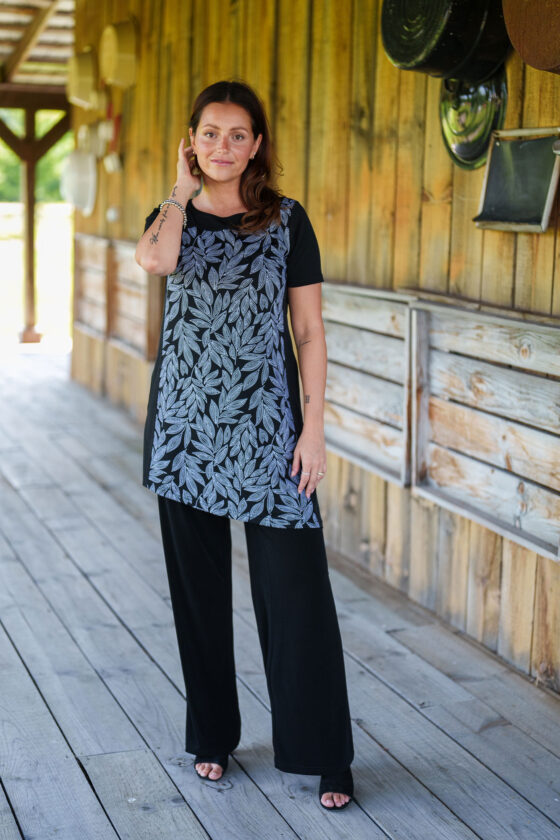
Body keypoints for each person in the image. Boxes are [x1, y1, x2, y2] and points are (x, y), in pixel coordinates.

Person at [135, 79, 355, 811]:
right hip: (186, 433)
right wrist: (179, 189)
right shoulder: (170, 218)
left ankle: (323, 754)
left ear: (257, 143)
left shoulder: (287, 221)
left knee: (298, 598)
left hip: (269, 435)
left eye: (237, 135)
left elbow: (312, 333)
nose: (223, 146)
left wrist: (314, 426)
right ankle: (212, 737)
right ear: (191, 141)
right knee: (198, 599)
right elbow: (157, 263)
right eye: (209, 134)